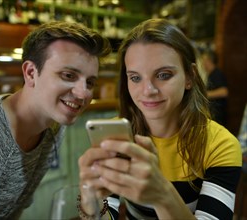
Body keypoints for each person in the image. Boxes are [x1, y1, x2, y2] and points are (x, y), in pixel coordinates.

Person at [0, 21, 111, 219]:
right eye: (68, 75)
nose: (83, 94)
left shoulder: (53, 127)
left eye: (90, 82)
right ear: (30, 73)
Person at [78, 18, 242, 220]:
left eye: (163, 75)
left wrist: (162, 195)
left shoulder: (220, 145)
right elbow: (106, 213)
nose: (148, 91)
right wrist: (90, 202)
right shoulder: (118, 136)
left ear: (190, 77)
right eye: (135, 78)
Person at [202, 50, 229, 126]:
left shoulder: (217, 74)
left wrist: (205, 94)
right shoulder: (211, 74)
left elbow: (224, 92)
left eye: (204, 61)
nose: (203, 64)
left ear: (209, 61)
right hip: (214, 113)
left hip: (218, 115)